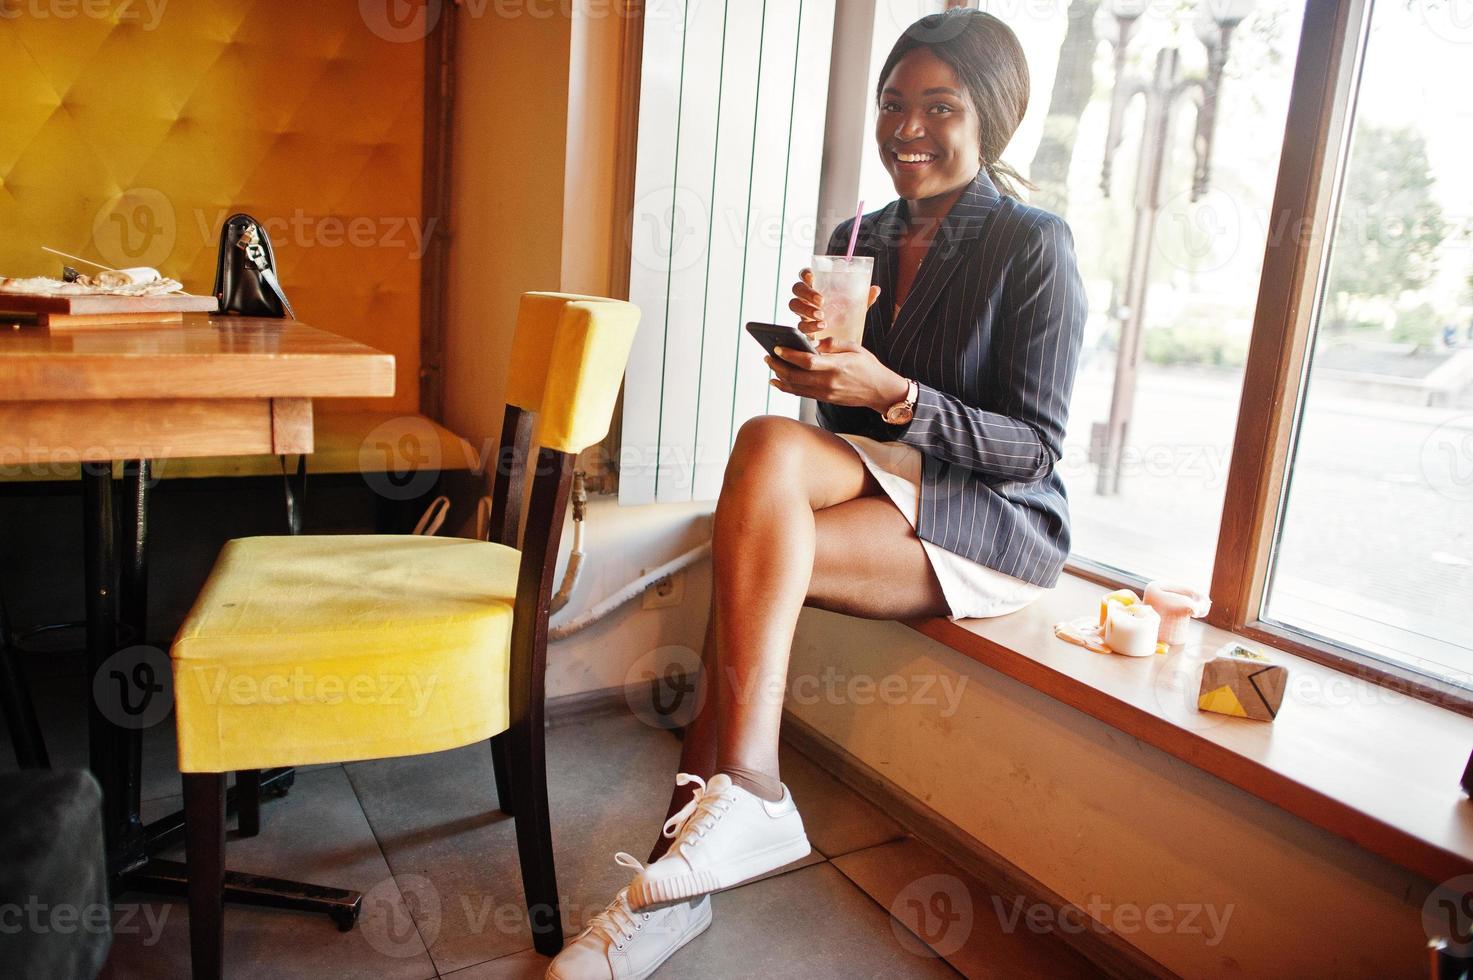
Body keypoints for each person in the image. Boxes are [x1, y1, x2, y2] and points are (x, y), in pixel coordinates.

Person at [547, 8, 1087, 978]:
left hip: (992, 515)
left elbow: (1034, 449)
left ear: (993, 117)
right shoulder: (863, 233)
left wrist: (893, 390)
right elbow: (852, 429)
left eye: (939, 105)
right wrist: (828, 371)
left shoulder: (1033, 246)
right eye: (892, 102)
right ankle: (728, 818)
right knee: (766, 451)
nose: (906, 126)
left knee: (751, 552)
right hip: (895, 479)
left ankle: (697, 854)